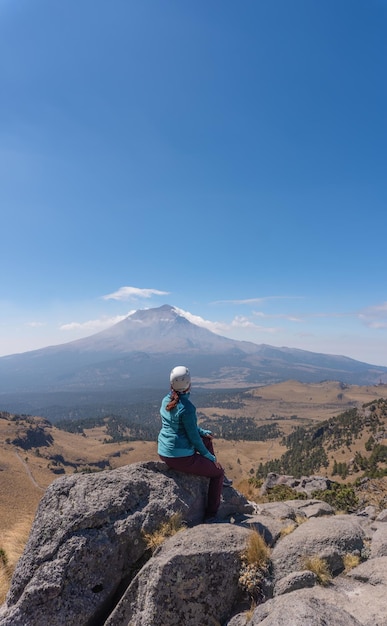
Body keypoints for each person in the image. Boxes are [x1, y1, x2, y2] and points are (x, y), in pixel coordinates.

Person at [158, 365, 231, 521]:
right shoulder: (188, 408)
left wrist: (203, 432)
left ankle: (209, 469)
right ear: (188, 385)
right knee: (218, 473)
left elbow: (186, 427)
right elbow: (193, 438)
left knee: (206, 439)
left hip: (164, 451)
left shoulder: (166, 399)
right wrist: (210, 457)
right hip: (180, 457)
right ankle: (212, 514)